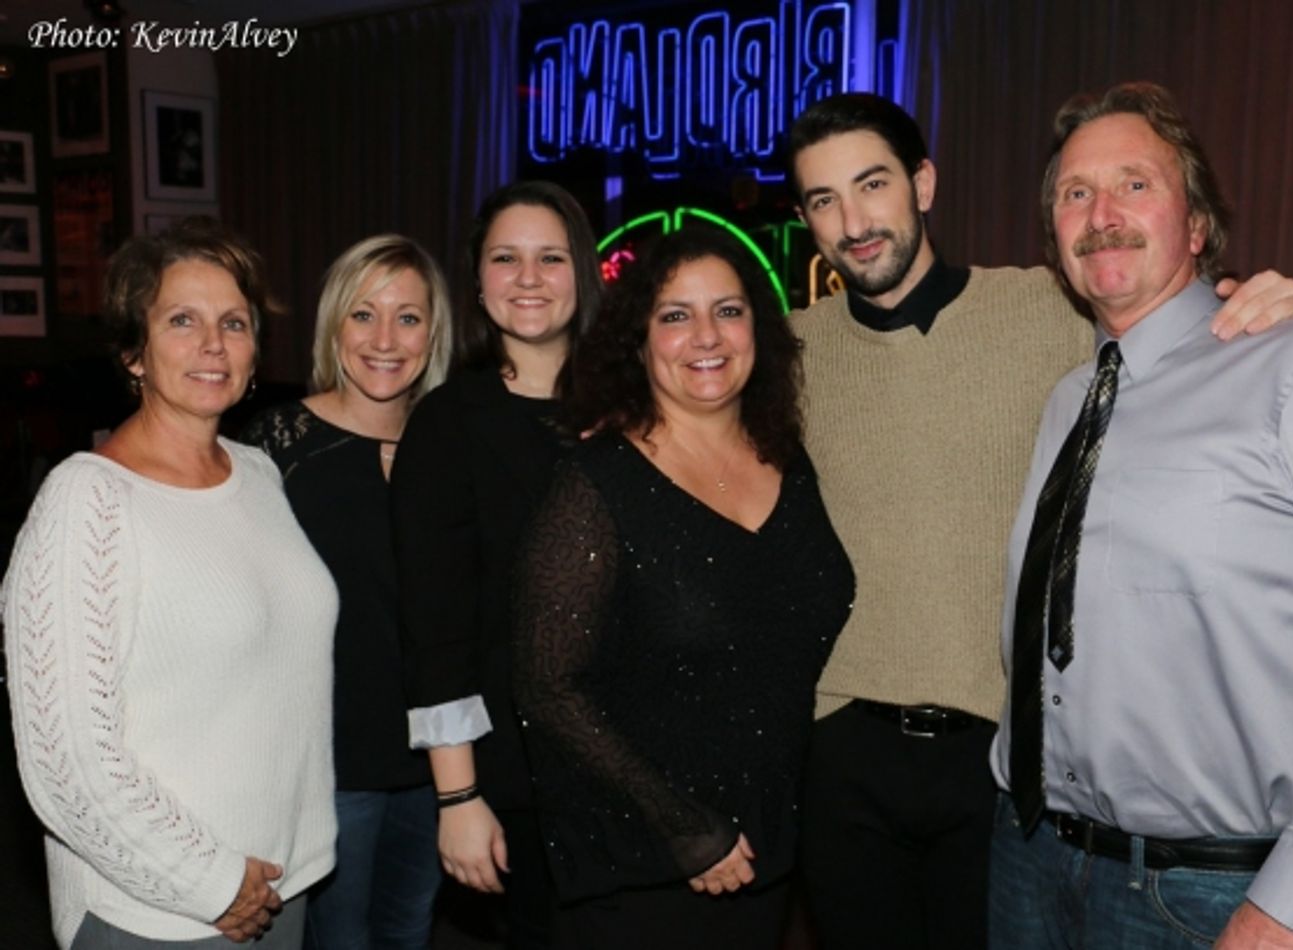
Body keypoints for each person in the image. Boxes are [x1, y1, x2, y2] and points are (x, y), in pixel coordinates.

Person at [783, 92, 1293, 949]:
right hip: (845, 754)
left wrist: (1272, 303)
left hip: (1005, 765)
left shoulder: (1052, 309)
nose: (853, 221)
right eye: (822, 199)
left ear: (922, 184)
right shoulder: (787, 354)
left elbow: (1172, 321)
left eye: (872, 184)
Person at [987, 80, 1293, 950]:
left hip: (1213, 893)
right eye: (1074, 193)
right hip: (1032, 856)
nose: (1101, 212)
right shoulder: (1069, 398)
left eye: (1135, 183)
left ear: (1199, 226)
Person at [512, 227, 855, 949]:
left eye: (728, 311)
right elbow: (546, 688)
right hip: (647, 867)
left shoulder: (790, 464)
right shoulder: (597, 483)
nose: (707, 335)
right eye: (675, 315)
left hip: (770, 852)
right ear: (638, 341)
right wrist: (684, 825)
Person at [1, 220, 337, 948]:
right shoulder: (87, 502)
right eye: (182, 320)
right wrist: (210, 882)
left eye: (234, 323)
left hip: (282, 886)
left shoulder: (257, 471)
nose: (212, 344)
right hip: (157, 912)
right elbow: (67, 764)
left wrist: (264, 879)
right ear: (134, 352)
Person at [391, 180, 602, 948]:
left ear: (583, 271)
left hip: (633, 770)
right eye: (505, 259)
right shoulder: (448, 423)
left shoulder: (637, 405)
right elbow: (435, 629)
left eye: (550, 257)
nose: (529, 278)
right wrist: (459, 796)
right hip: (516, 779)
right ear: (477, 281)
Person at [242, 234, 456, 949]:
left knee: (409, 930)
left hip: (437, 763)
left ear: (435, 332)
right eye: (364, 314)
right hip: (324, 764)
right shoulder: (277, 446)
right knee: (337, 940)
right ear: (335, 324)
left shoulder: (453, 446)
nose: (385, 339)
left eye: (408, 317)